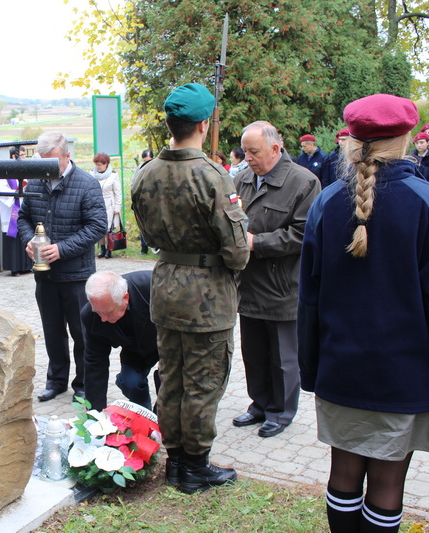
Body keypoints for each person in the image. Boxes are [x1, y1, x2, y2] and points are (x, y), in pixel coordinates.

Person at [298, 93, 429, 533]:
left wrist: (312, 371)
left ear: (351, 140)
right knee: (388, 482)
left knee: (343, 475)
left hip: (340, 368)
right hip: (405, 374)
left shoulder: (326, 202)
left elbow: (308, 297)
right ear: (406, 139)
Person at [131, 83, 250, 494]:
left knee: (172, 378)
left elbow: (147, 235)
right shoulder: (213, 176)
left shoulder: (145, 173)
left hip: (165, 287)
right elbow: (237, 252)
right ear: (203, 125)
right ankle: (194, 467)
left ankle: (177, 461)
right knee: (204, 380)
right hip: (207, 295)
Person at [232, 121, 320, 438]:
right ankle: (259, 404)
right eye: (245, 151)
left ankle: (281, 411)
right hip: (248, 283)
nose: (248, 158)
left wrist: (257, 243)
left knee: (283, 358)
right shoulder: (242, 179)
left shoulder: (303, 182)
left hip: (283, 286)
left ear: (275, 148)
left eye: (254, 152)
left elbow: (304, 234)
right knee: (254, 353)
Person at [17, 131, 106, 402]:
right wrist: (29, 241)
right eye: (42, 160)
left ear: (67, 155)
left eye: (52, 160)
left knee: (82, 333)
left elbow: (98, 227)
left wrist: (61, 249)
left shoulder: (87, 184)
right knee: (52, 332)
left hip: (77, 275)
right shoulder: (35, 183)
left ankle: (83, 384)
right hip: (45, 275)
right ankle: (56, 381)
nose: (47, 167)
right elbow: (23, 218)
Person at [81, 271, 159, 411]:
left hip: (169, 343)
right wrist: (94, 415)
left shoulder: (154, 287)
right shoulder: (90, 316)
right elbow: (95, 364)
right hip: (135, 351)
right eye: (97, 312)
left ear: (125, 298)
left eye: (108, 312)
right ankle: (143, 413)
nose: (103, 319)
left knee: (169, 385)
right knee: (130, 382)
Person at [0, 147, 34, 276]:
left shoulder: (25, 171)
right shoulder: (5, 173)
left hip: (24, 208)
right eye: (22, 155)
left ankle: (26, 266)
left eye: (24, 155)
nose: (24, 157)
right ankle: (14, 268)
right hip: (11, 210)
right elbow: (0, 189)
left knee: (25, 235)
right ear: (13, 156)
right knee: (13, 239)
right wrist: (17, 192)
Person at [91, 152, 122, 259]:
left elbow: (118, 193)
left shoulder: (113, 175)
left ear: (106, 164)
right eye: (96, 165)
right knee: (99, 227)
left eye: (100, 165)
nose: (98, 167)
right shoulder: (92, 174)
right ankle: (102, 248)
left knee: (109, 229)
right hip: (96, 204)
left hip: (109, 205)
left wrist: (117, 207)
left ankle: (110, 249)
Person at [131, 150, 154, 254]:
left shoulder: (156, 168)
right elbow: (134, 184)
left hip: (153, 201)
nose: (146, 163)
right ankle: (144, 247)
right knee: (142, 224)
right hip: (142, 201)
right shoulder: (139, 169)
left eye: (148, 160)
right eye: (145, 160)